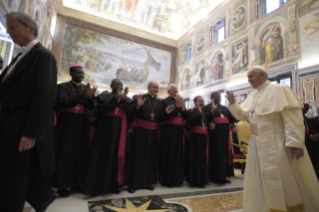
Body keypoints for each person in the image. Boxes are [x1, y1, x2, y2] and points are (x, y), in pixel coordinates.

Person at [226, 66, 319, 211]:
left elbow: (293, 118)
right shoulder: (253, 95)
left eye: (251, 76)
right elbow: (242, 116)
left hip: (280, 143)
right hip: (258, 144)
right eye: (248, 77)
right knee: (260, 180)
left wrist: (295, 142)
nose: (248, 80)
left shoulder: (280, 90)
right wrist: (233, 104)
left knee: (288, 180)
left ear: (262, 75)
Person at [0, 12, 57, 212]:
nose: (8, 31)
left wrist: (31, 133)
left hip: (22, 130)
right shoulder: (20, 56)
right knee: (5, 177)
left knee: (15, 182)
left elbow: (44, 98)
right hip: (8, 127)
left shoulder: (43, 56)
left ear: (30, 29)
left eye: (12, 27)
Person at [53, 64, 97, 198]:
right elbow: (63, 104)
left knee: (81, 152)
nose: (81, 76)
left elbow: (91, 107)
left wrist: (90, 98)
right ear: (71, 73)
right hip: (67, 123)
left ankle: (78, 183)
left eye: (83, 74)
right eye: (78, 73)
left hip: (82, 124)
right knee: (65, 153)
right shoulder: (62, 87)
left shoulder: (85, 88)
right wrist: (81, 95)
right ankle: (62, 185)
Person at [83, 79, 132, 196]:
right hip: (105, 130)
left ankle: (113, 185)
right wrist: (115, 98)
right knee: (101, 156)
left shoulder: (126, 98)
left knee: (116, 156)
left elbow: (130, 114)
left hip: (120, 130)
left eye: (121, 85)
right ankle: (96, 186)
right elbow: (102, 109)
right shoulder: (103, 96)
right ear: (111, 86)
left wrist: (124, 101)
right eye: (116, 84)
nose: (119, 86)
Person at [125, 81, 174, 193]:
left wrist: (166, 113)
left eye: (158, 88)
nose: (157, 89)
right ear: (149, 88)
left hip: (153, 133)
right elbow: (129, 113)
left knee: (150, 157)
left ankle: (147, 182)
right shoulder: (140, 98)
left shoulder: (159, 102)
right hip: (140, 132)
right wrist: (137, 106)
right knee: (137, 156)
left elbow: (160, 117)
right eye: (155, 87)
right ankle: (133, 184)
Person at [203, 91, 237, 184]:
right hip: (214, 135)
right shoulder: (206, 107)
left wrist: (233, 113)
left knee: (225, 154)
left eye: (219, 97)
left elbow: (232, 119)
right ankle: (216, 176)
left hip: (225, 134)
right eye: (216, 97)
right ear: (211, 97)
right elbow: (204, 119)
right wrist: (211, 115)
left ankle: (224, 175)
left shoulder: (225, 108)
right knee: (217, 154)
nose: (218, 98)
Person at [159, 84, 187, 188]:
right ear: (168, 91)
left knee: (178, 154)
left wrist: (183, 108)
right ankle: (167, 180)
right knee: (169, 154)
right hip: (169, 131)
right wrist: (178, 107)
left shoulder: (180, 100)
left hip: (179, 131)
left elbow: (186, 116)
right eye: (173, 89)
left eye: (176, 88)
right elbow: (162, 116)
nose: (176, 90)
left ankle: (177, 179)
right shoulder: (164, 101)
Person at [186, 96, 214, 188]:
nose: (201, 103)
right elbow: (191, 123)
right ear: (195, 102)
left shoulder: (204, 112)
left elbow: (205, 122)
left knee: (202, 159)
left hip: (203, 137)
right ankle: (193, 180)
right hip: (194, 138)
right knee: (194, 158)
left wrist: (210, 125)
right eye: (199, 101)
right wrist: (198, 111)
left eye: (202, 101)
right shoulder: (191, 111)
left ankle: (201, 180)